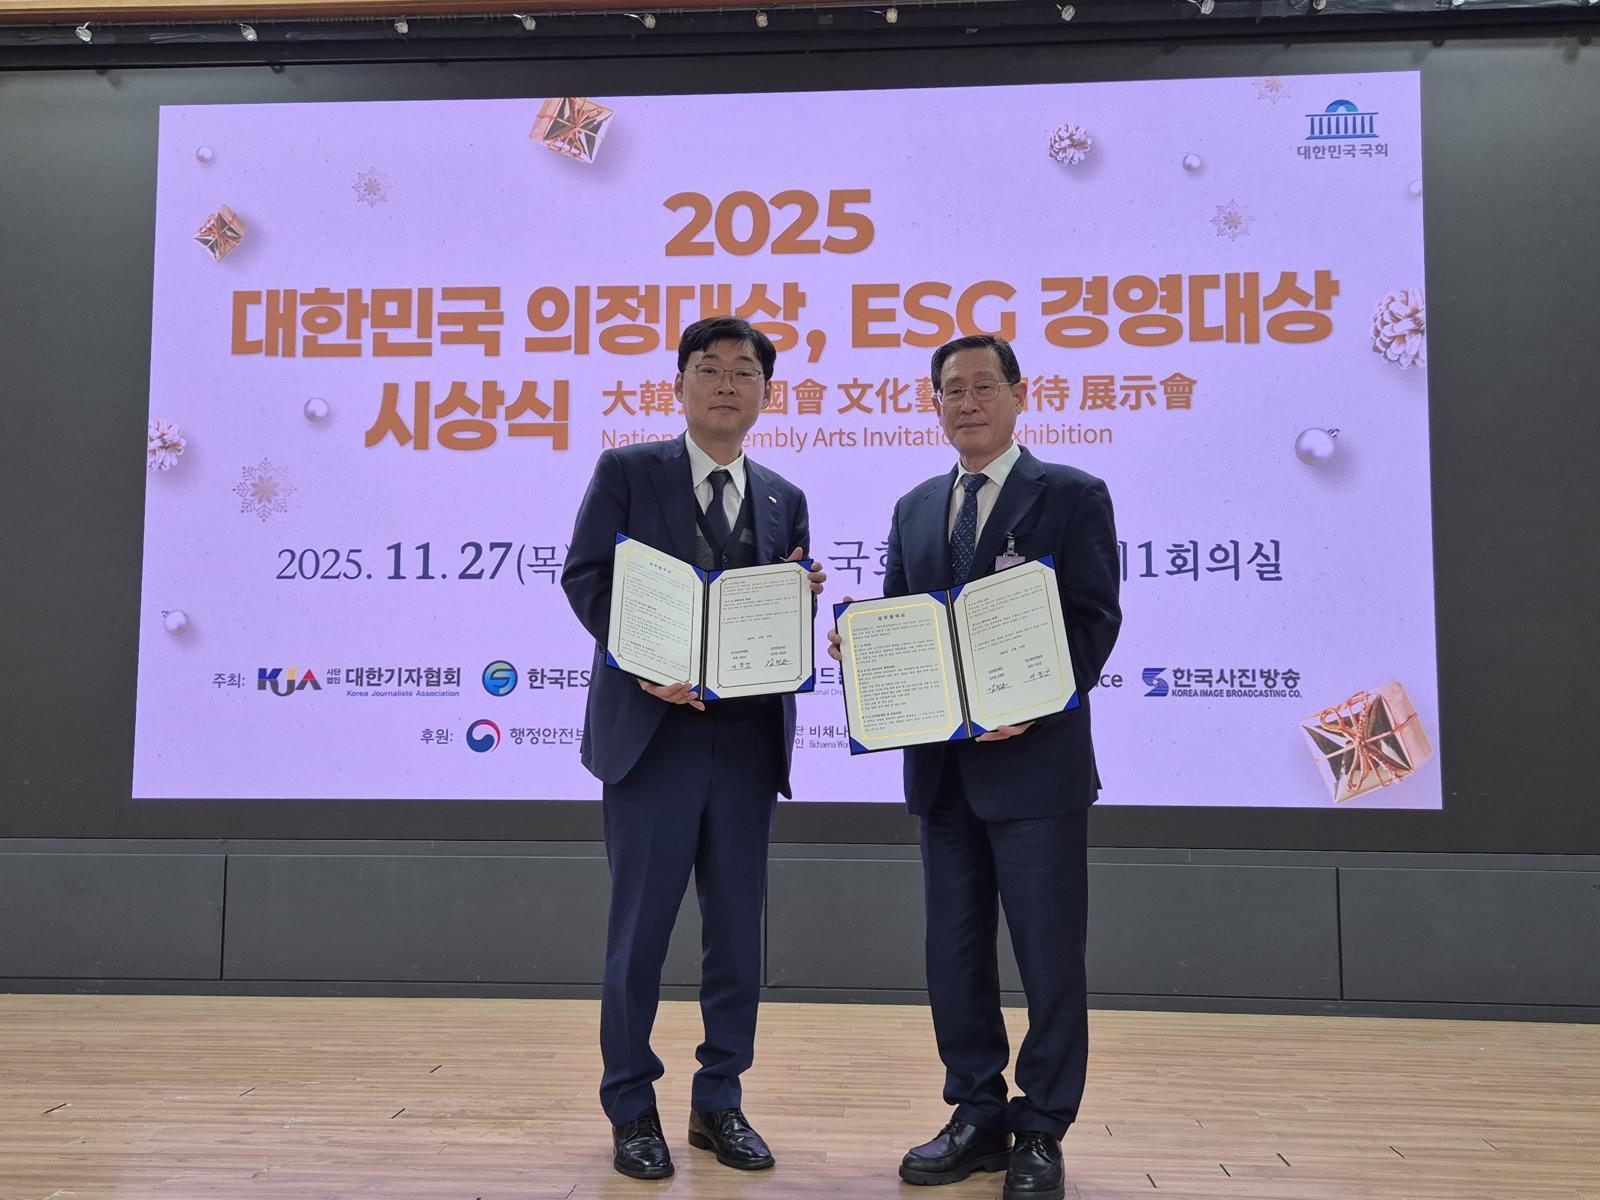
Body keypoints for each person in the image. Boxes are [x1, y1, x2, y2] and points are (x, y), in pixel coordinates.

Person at [829, 334, 1121, 1200]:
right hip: (942, 775)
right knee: (953, 958)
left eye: (983, 386)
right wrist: (862, 646)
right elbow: (900, 614)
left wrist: (1033, 700)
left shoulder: (1071, 494)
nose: (967, 403)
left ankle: (1043, 1127)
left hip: (1036, 770)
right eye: (951, 390)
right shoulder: (916, 506)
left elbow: (1093, 622)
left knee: (1049, 961)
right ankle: (976, 1114)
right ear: (935, 405)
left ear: (1020, 394)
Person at [562, 316, 826, 1180]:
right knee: (638, 936)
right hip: (653, 737)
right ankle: (630, 1106)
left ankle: (720, 1101)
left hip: (747, 741)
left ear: (765, 393)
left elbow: (772, 622)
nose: (725, 385)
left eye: (744, 372)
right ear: (677, 385)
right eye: (708, 369)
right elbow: (587, 578)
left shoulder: (785, 496)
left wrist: (798, 600)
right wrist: (645, 664)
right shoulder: (628, 472)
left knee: (737, 939)